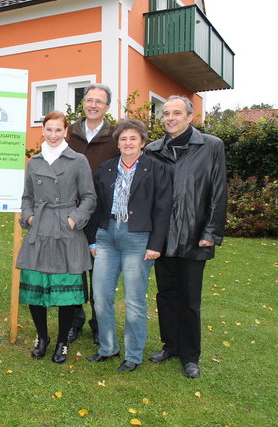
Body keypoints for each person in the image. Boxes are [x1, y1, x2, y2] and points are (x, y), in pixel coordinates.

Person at [144, 95, 227, 378]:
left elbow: (218, 191)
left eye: (176, 113)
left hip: (194, 235)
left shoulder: (211, 146)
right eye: (166, 113)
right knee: (166, 295)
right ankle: (170, 346)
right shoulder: (153, 150)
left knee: (190, 299)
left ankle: (190, 356)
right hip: (162, 238)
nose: (170, 118)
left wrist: (211, 232)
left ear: (190, 117)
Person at [85, 119, 172, 372]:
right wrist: (92, 238)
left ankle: (133, 355)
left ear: (142, 142)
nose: (128, 143)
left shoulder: (156, 169)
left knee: (134, 300)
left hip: (138, 237)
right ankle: (107, 348)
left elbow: (163, 209)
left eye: (133, 138)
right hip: (106, 235)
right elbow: (96, 206)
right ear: (118, 143)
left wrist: (156, 244)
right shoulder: (106, 168)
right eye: (123, 139)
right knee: (100, 296)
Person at [16, 111, 96, 364]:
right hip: (39, 229)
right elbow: (27, 196)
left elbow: (89, 197)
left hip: (66, 231)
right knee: (34, 289)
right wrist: (29, 217)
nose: (53, 135)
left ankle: (62, 341)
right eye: (48, 129)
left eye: (58, 130)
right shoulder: (35, 161)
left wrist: (73, 219)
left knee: (67, 294)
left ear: (65, 132)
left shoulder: (78, 160)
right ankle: (42, 337)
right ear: (43, 130)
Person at [66, 83, 120, 345]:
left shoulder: (115, 135)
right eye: (89, 100)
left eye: (99, 101)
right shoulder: (71, 133)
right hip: (73, 214)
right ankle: (74, 320)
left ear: (107, 107)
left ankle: (99, 323)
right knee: (75, 273)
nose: (93, 105)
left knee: (101, 275)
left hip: (102, 215)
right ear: (83, 103)